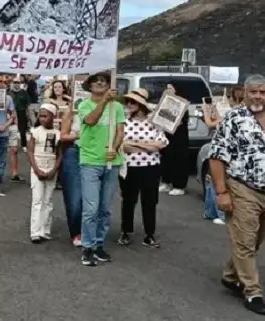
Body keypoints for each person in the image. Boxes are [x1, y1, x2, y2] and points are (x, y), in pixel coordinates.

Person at [209, 74, 265, 315]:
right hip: (243, 188)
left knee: (255, 241)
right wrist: (222, 192)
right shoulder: (234, 118)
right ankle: (253, 292)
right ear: (244, 93)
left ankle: (231, 275)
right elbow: (216, 156)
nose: (258, 96)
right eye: (253, 91)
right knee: (244, 242)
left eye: (263, 92)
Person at [77, 71, 124, 266]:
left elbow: (120, 130)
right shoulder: (84, 105)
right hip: (90, 161)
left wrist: (115, 147)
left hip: (112, 162)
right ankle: (87, 246)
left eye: (103, 81)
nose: (99, 83)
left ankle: (98, 244)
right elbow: (90, 120)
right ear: (89, 86)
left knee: (105, 209)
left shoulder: (118, 107)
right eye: (96, 81)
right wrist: (104, 101)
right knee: (91, 209)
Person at [116, 88, 168, 248]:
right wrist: (147, 145)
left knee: (150, 201)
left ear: (141, 104)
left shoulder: (154, 122)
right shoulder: (124, 121)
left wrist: (136, 144)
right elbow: (122, 145)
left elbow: (160, 144)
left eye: (133, 102)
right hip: (129, 167)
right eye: (128, 101)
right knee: (129, 200)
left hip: (151, 167)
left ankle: (149, 233)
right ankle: (126, 231)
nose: (129, 104)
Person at [201, 85, 245, 225]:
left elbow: (211, 123)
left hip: (222, 150)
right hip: (226, 150)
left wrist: (207, 112)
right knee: (215, 180)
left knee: (215, 181)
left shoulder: (234, 113)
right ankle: (214, 212)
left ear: (234, 98)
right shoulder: (242, 112)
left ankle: (215, 212)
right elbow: (218, 122)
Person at [27, 103, 62, 243]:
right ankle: (35, 231)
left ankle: (46, 230)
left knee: (48, 201)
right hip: (37, 167)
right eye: (40, 116)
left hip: (51, 168)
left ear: (53, 116)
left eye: (45, 116)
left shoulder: (58, 134)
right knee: (37, 200)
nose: (42, 119)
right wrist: (36, 169)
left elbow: (60, 154)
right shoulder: (35, 131)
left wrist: (54, 170)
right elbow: (30, 151)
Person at [159, 82, 191, 196]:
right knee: (166, 158)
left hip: (179, 138)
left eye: (170, 88)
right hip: (166, 136)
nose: (168, 90)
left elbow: (179, 122)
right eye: (167, 88)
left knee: (179, 160)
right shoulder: (164, 103)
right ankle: (166, 182)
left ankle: (179, 186)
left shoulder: (182, 104)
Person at [59, 108, 83, 247]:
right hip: (75, 151)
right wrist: (80, 135)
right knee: (74, 196)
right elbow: (63, 136)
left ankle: (89, 229)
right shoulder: (72, 111)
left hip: (95, 153)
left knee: (92, 197)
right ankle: (76, 231)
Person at [8, 77, 31, 182]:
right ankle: (11, 145)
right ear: (12, 83)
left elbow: (28, 105)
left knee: (22, 130)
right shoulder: (9, 93)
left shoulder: (24, 93)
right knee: (11, 132)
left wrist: (29, 115)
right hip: (10, 115)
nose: (16, 84)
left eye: (18, 82)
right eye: (15, 82)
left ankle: (24, 145)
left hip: (21, 113)